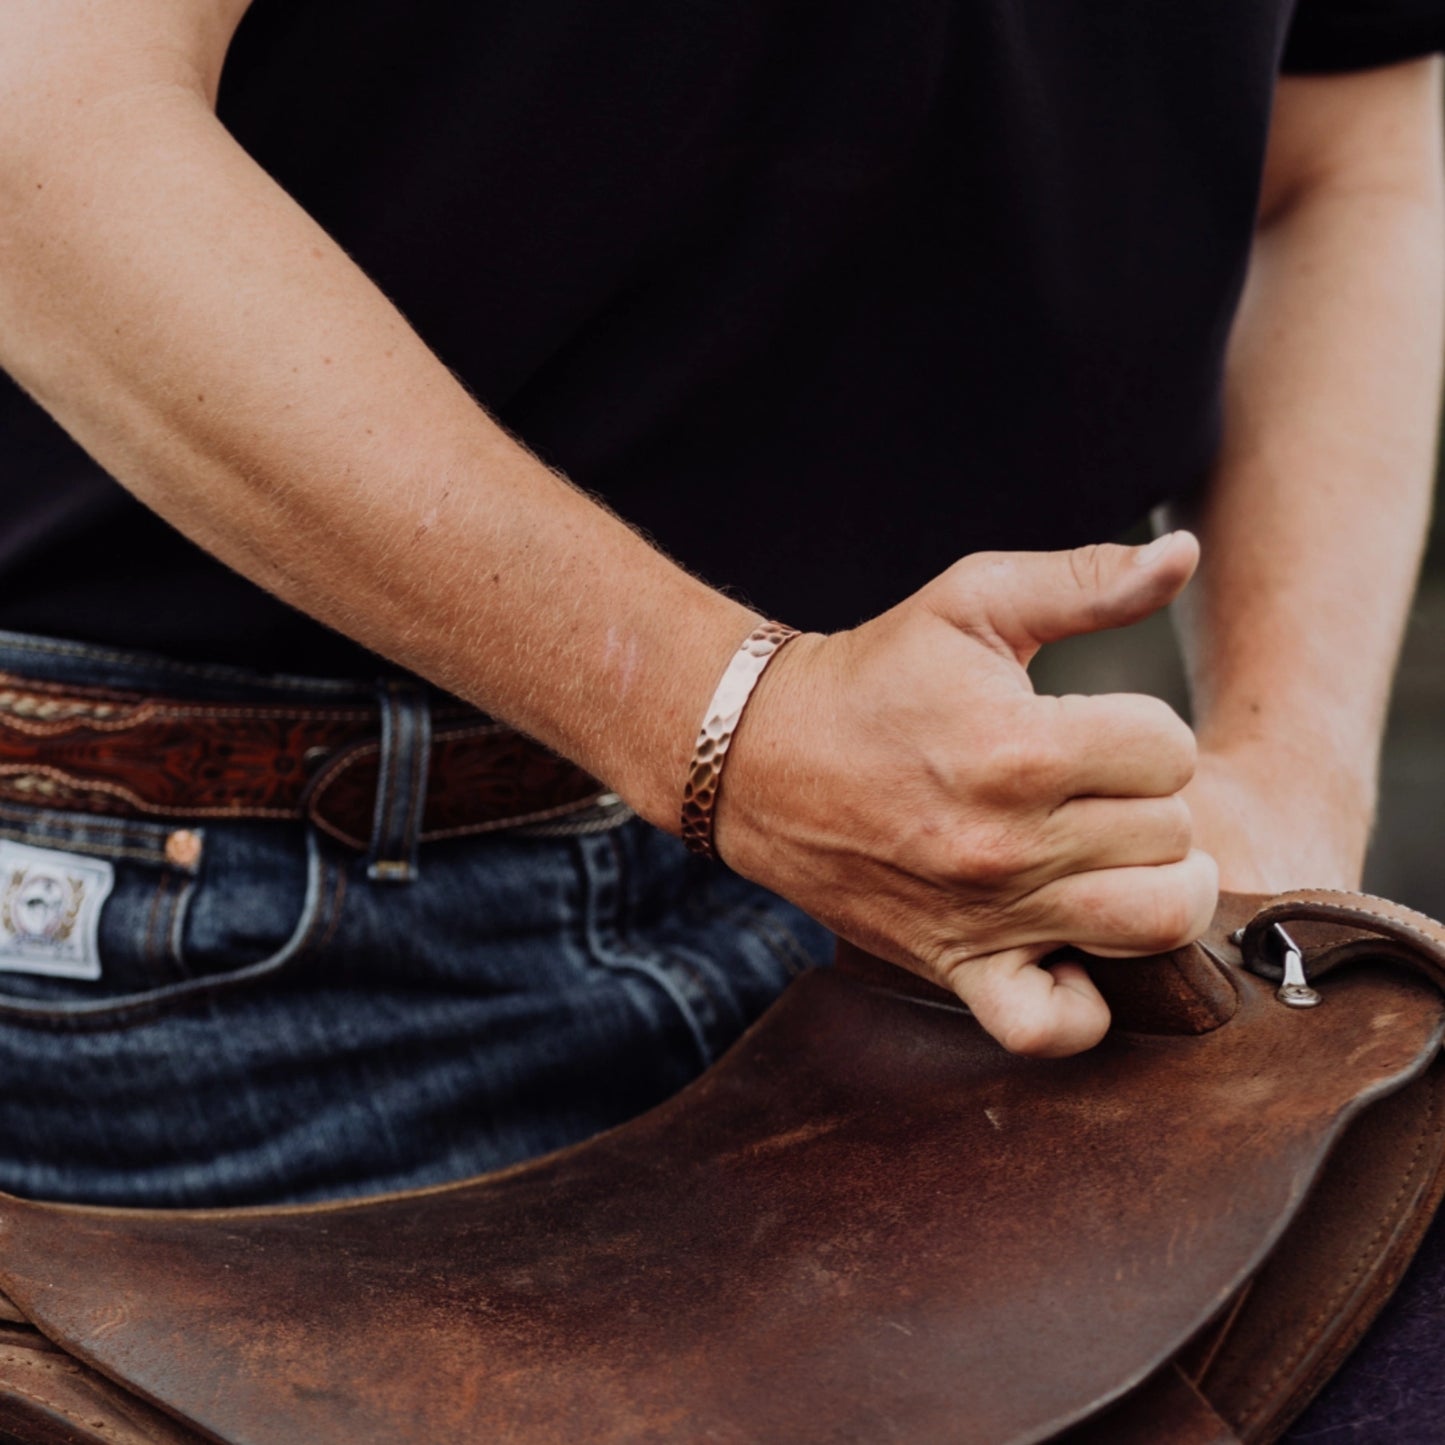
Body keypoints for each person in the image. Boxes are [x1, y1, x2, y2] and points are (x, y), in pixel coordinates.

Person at [0, 1, 1439, 1210]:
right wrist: (725, 720)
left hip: (969, 888)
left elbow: (1341, 148)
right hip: (228, 930)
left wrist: (1291, 779)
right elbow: (40, 131)